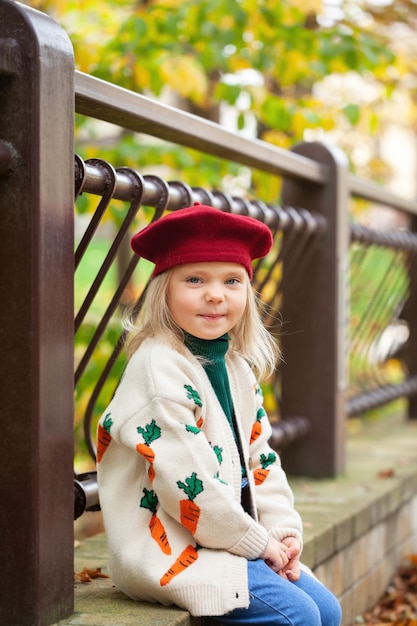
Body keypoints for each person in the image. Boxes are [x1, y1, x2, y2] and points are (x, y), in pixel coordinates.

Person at [96, 203, 342, 626]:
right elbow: (187, 486)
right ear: (164, 291)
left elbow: (262, 459)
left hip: (233, 540)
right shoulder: (159, 371)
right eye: (195, 279)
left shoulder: (235, 368)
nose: (216, 294)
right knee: (297, 616)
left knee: (327, 610)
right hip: (174, 550)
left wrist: (282, 530)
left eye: (232, 280)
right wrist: (257, 542)